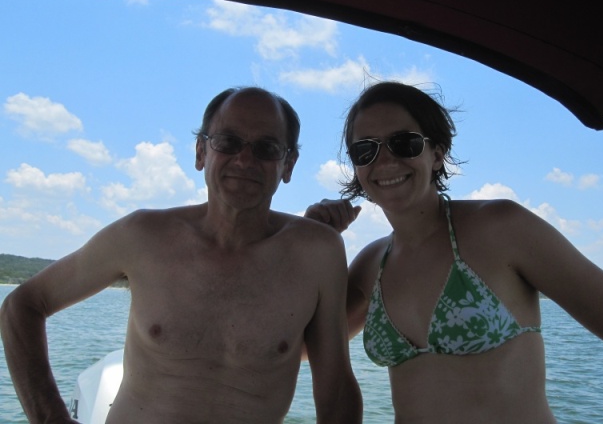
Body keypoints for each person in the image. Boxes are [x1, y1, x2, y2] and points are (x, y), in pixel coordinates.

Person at [0, 87, 363, 424]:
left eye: (267, 148)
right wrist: (51, 418)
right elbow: (23, 306)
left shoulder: (317, 253)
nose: (245, 159)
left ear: (288, 165)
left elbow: (335, 390)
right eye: (228, 142)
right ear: (201, 152)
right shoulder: (141, 236)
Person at [305, 81, 603, 423]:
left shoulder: (503, 228)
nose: (385, 159)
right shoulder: (371, 265)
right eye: (366, 150)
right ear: (358, 168)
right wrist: (313, 245)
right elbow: (300, 349)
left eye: (403, 143)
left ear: (436, 155)